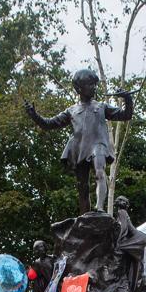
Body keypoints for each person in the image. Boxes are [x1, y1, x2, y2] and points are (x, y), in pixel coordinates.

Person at [25, 69, 134, 214]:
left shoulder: (101, 107)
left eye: (94, 84)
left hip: (98, 145)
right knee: (82, 186)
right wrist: (35, 116)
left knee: (100, 172)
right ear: (79, 88)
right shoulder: (72, 111)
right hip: (80, 149)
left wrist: (127, 99)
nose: (94, 87)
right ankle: (84, 217)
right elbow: (49, 124)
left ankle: (100, 209)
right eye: (90, 84)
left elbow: (126, 115)